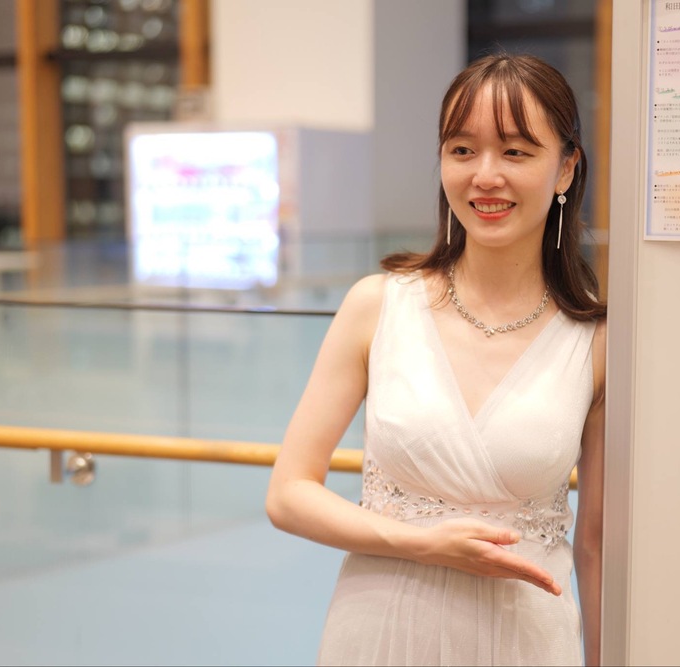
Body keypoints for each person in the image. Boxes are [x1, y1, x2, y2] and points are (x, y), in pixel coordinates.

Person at [266, 53, 607, 666]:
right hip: (379, 633)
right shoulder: (378, 305)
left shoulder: (596, 339)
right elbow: (288, 493)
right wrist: (421, 543)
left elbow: (598, 543)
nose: (485, 176)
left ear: (565, 168)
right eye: (462, 150)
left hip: (524, 641)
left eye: (516, 152)